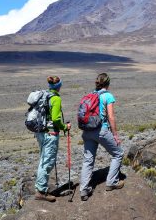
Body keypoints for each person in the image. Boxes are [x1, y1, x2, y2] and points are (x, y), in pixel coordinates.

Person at [80, 73, 124, 201]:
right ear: (108, 83)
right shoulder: (107, 96)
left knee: (88, 160)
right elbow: (111, 117)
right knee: (118, 154)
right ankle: (111, 182)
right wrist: (115, 135)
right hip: (101, 130)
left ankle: (83, 190)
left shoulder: (91, 95)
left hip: (87, 131)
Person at [35, 76, 71, 202]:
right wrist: (64, 127)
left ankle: (40, 187)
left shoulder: (44, 96)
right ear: (59, 86)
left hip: (40, 133)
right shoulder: (55, 98)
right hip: (50, 134)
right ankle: (41, 191)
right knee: (47, 162)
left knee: (43, 159)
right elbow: (56, 119)